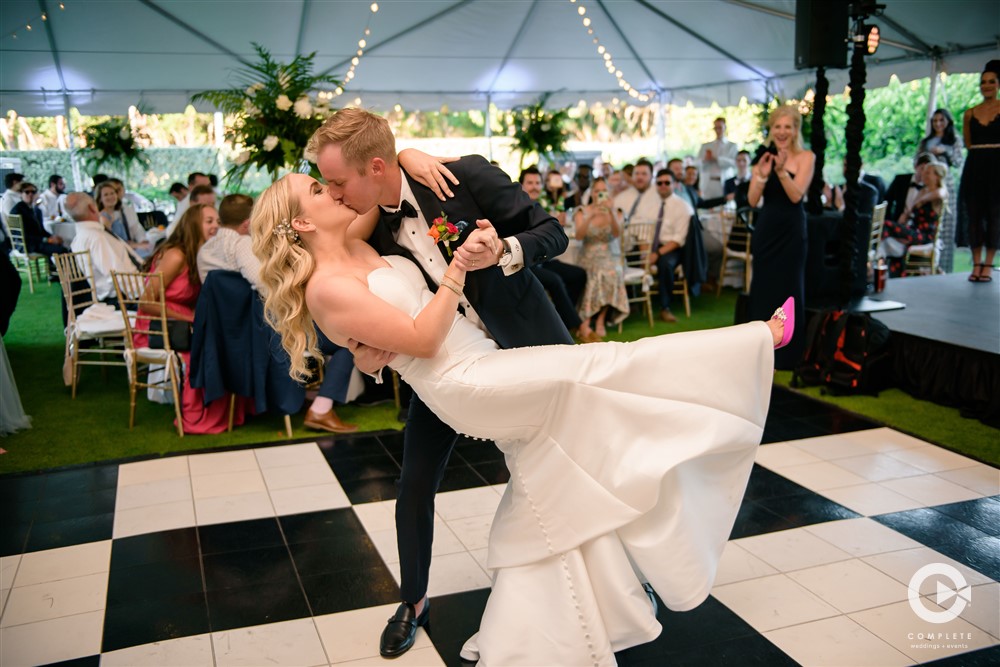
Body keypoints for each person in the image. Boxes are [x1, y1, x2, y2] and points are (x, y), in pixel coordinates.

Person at [250, 172, 790, 666]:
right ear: (300, 221)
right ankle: (752, 342)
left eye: (330, 181)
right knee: (602, 366)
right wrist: (457, 269)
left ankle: (567, 612)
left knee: (550, 467)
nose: (333, 191)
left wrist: (408, 153)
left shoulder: (355, 240)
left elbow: (381, 177)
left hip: (485, 353)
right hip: (462, 380)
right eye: (319, 190)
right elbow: (421, 338)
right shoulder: (325, 283)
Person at [306, 108, 574, 659]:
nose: (333, 194)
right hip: (450, 370)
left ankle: (598, 580)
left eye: (338, 181)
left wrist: (505, 250)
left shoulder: (464, 176)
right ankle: (413, 600)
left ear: (375, 166)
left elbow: (553, 231)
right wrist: (363, 351)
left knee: (566, 466)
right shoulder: (364, 223)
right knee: (415, 483)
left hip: (528, 343)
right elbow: (356, 306)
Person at [197, 193, 358, 434]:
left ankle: (313, 397)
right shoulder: (241, 245)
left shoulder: (205, 250)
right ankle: (322, 408)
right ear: (247, 223)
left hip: (229, 339)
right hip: (269, 334)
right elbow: (265, 285)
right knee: (350, 338)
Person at [132, 203, 252, 433]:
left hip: (183, 324)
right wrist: (190, 317)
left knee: (224, 345)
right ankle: (199, 413)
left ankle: (234, 409)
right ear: (193, 224)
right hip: (157, 327)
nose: (216, 225)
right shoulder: (176, 255)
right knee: (205, 354)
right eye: (209, 221)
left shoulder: (202, 254)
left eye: (217, 221)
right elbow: (146, 303)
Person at [747, 104, 815, 369]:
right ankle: (759, 354)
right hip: (767, 230)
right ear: (771, 130)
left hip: (791, 231)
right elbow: (752, 200)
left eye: (788, 126)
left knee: (789, 288)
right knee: (763, 288)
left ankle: (787, 355)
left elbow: (797, 195)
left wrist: (781, 172)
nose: (782, 131)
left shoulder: (806, 157)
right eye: (778, 126)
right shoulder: (763, 159)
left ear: (795, 129)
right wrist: (762, 176)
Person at [519, 167, 592, 342]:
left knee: (578, 274)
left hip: (545, 259)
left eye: (537, 183)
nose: (535, 187)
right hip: (525, 264)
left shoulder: (541, 206)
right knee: (555, 280)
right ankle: (580, 326)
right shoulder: (517, 208)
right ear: (521, 185)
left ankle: (562, 323)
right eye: (530, 183)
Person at [572, 177, 629, 338]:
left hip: (610, 255)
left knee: (611, 272)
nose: (600, 194)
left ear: (609, 193)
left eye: (604, 191)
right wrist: (591, 216)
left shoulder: (616, 212)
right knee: (594, 274)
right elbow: (578, 236)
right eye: (597, 191)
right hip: (588, 254)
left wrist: (609, 212)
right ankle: (586, 320)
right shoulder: (582, 211)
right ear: (591, 192)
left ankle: (599, 319)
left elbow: (617, 234)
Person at [960, 60, 1000, 283]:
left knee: (995, 214)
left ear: (998, 84)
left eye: (991, 82)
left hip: (997, 165)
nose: (986, 85)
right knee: (974, 214)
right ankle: (976, 262)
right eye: (983, 82)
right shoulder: (969, 113)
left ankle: (989, 263)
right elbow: (968, 142)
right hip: (976, 164)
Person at [65, 192, 144, 303]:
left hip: (132, 289)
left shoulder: (82, 237)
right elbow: (117, 276)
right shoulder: (96, 237)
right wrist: (147, 293)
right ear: (92, 207)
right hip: (125, 299)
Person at [879, 162, 948, 277]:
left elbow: (939, 193)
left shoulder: (940, 192)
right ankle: (886, 268)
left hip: (925, 236)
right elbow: (910, 211)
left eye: (928, 173)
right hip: (914, 231)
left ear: (937, 176)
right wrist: (907, 214)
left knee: (886, 225)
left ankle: (871, 256)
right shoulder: (922, 191)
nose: (923, 175)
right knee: (890, 234)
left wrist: (919, 201)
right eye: (924, 172)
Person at [918, 109, 965, 273]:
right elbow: (916, 161)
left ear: (947, 122)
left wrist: (945, 151)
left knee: (946, 227)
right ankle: (926, 266)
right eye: (935, 120)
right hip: (927, 186)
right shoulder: (926, 142)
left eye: (941, 120)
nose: (938, 124)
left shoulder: (954, 140)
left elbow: (959, 161)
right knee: (927, 224)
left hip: (946, 186)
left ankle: (944, 268)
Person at [9, 181, 69, 275]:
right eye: (27, 192)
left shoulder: (36, 210)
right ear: (21, 193)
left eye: (33, 192)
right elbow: (24, 236)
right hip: (27, 244)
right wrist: (47, 240)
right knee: (62, 251)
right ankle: (67, 275)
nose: (30, 194)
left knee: (62, 244)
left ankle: (57, 272)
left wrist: (52, 237)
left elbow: (41, 230)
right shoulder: (17, 210)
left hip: (37, 241)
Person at [95, 181, 150, 256]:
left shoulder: (115, 214)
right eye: (106, 195)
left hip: (127, 250)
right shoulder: (104, 218)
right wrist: (137, 245)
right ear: (100, 199)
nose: (110, 197)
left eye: (112, 193)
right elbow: (112, 244)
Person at [697, 117, 738, 199]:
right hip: (709, 182)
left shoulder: (732, 146)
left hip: (724, 181)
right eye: (716, 128)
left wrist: (717, 159)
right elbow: (697, 162)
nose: (718, 130)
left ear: (725, 128)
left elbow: (734, 163)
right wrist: (705, 159)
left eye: (720, 128)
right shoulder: (706, 146)